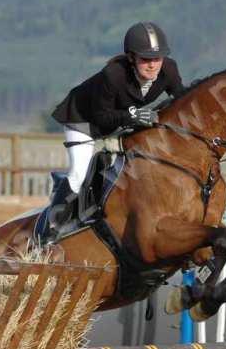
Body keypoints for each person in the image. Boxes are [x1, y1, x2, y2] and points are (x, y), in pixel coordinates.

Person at [50, 21, 184, 221]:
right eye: (146, 59)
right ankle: (49, 229)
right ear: (131, 57)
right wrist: (133, 116)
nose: (153, 65)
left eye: (157, 58)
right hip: (83, 120)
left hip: (118, 121)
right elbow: (101, 117)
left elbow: (182, 100)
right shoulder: (113, 75)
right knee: (79, 174)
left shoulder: (169, 69)